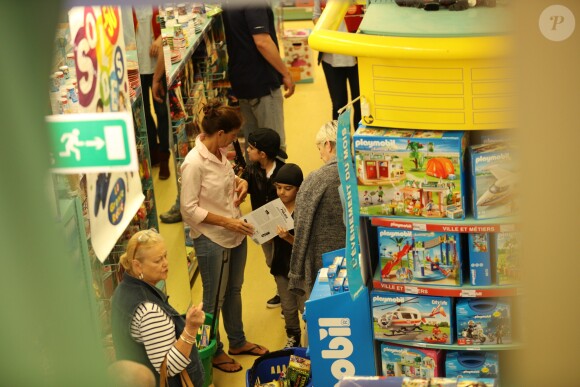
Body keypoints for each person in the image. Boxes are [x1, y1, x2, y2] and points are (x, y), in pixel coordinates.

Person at [180, 99, 269, 373]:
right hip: (211, 238)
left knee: (234, 289)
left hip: (234, 234)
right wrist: (227, 223)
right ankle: (212, 350)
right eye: (232, 136)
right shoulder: (194, 163)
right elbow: (188, 209)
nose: (234, 141)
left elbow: (227, 181)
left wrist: (240, 183)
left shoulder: (219, 154)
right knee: (213, 298)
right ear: (220, 134)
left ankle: (237, 341)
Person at [111, 229, 205, 387]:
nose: (165, 263)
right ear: (137, 265)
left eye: (165, 256)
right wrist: (191, 329)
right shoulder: (148, 311)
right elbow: (169, 367)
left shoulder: (123, 289)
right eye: (157, 260)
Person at [222, 1, 295, 152]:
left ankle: (255, 176)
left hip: (242, 81)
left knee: (253, 147)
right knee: (273, 146)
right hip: (262, 82)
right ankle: (275, 177)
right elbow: (262, 42)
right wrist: (285, 73)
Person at [288, 121, 346, 298]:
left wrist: (296, 274)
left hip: (323, 265)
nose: (320, 153)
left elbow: (301, 226)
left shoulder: (316, 180)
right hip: (357, 262)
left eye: (319, 147)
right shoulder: (359, 173)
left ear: (328, 145)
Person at [242, 128, 288, 309]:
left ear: (262, 154)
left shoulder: (284, 172)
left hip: (283, 229)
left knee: (284, 261)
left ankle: (289, 299)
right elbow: (243, 181)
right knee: (270, 261)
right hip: (262, 227)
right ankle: (281, 291)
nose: (247, 150)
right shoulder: (251, 171)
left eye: (250, 148)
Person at [133, 6, 171, 179]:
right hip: (136, 69)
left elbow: (168, 26)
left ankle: (164, 158)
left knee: (162, 112)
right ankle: (153, 152)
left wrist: (160, 38)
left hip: (157, 66)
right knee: (144, 113)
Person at [313, 0, 361, 127]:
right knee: (339, 104)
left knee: (360, 104)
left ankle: (359, 143)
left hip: (358, 57)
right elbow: (316, 16)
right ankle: (340, 144)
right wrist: (324, 26)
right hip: (331, 59)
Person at [272, 163, 304, 348]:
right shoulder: (275, 209)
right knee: (288, 307)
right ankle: (293, 335)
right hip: (281, 266)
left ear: (299, 189)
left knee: (304, 305)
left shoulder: (303, 210)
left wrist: (288, 237)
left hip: (299, 267)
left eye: (287, 188)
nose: (282, 192)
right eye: (278, 188)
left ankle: (309, 335)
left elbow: (304, 243)